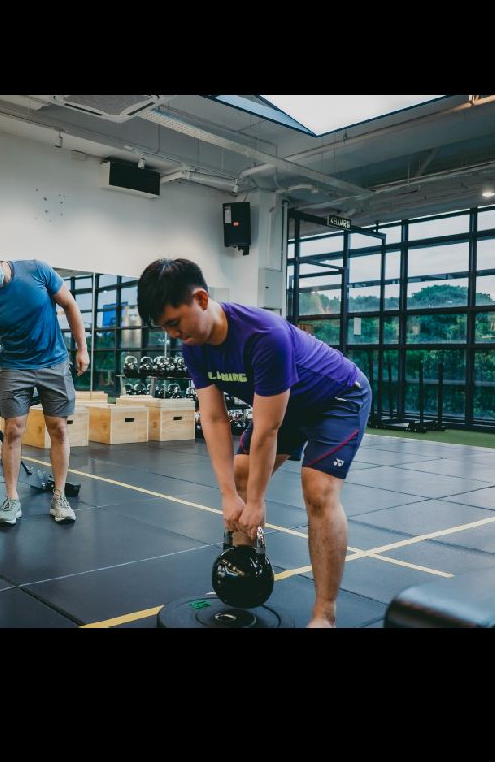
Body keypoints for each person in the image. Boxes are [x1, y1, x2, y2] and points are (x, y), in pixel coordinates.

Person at [137, 258, 371, 628]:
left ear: (201, 299)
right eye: (165, 327)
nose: (173, 334)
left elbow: (266, 430)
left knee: (318, 490)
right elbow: (214, 418)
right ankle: (243, 574)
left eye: (174, 322)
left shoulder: (264, 335)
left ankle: (324, 613)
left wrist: (257, 503)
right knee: (241, 475)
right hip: (286, 404)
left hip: (336, 398)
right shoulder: (194, 344)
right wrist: (229, 495)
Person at [0, 235, 89, 526]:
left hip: (54, 362)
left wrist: (82, 348)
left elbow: (70, 305)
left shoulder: (37, 270)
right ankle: (12, 499)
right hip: (14, 367)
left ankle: (59, 496)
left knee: (58, 428)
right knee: (13, 431)